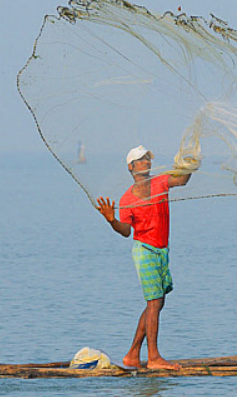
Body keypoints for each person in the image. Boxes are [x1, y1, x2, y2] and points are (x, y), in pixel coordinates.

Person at [95, 145, 200, 370]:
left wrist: (190, 166)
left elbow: (181, 181)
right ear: (131, 167)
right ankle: (153, 358)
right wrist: (111, 220)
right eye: (142, 160)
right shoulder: (127, 198)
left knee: (158, 302)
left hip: (162, 249)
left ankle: (133, 354)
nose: (147, 163)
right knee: (154, 302)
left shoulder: (160, 182)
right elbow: (126, 231)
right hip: (145, 251)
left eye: (148, 159)